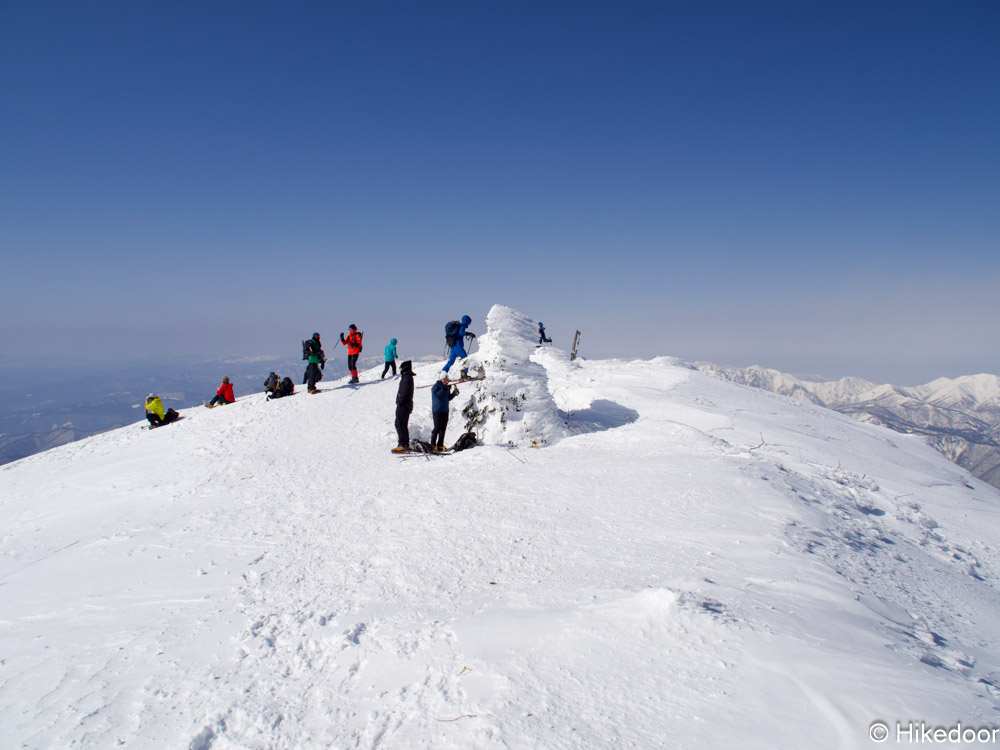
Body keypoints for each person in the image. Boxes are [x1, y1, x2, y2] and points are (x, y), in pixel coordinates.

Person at [430, 373, 460, 452]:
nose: (446, 381)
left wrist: (454, 393)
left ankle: (440, 445)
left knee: (443, 428)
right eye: (445, 379)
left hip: (445, 410)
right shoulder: (436, 387)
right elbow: (437, 396)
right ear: (441, 379)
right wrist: (445, 389)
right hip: (437, 410)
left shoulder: (445, 387)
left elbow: (447, 398)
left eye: (447, 380)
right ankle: (432, 444)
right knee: (437, 428)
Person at [393, 360, 414, 452]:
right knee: (403, 424)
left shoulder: (406, 378)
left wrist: (399, 401)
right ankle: (405, 443)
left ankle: (402, 444)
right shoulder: (408, 377)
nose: (400, 369)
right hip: (407, 404)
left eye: (400, 368)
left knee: (399, 423)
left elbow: (404, 392)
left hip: (404, 404)